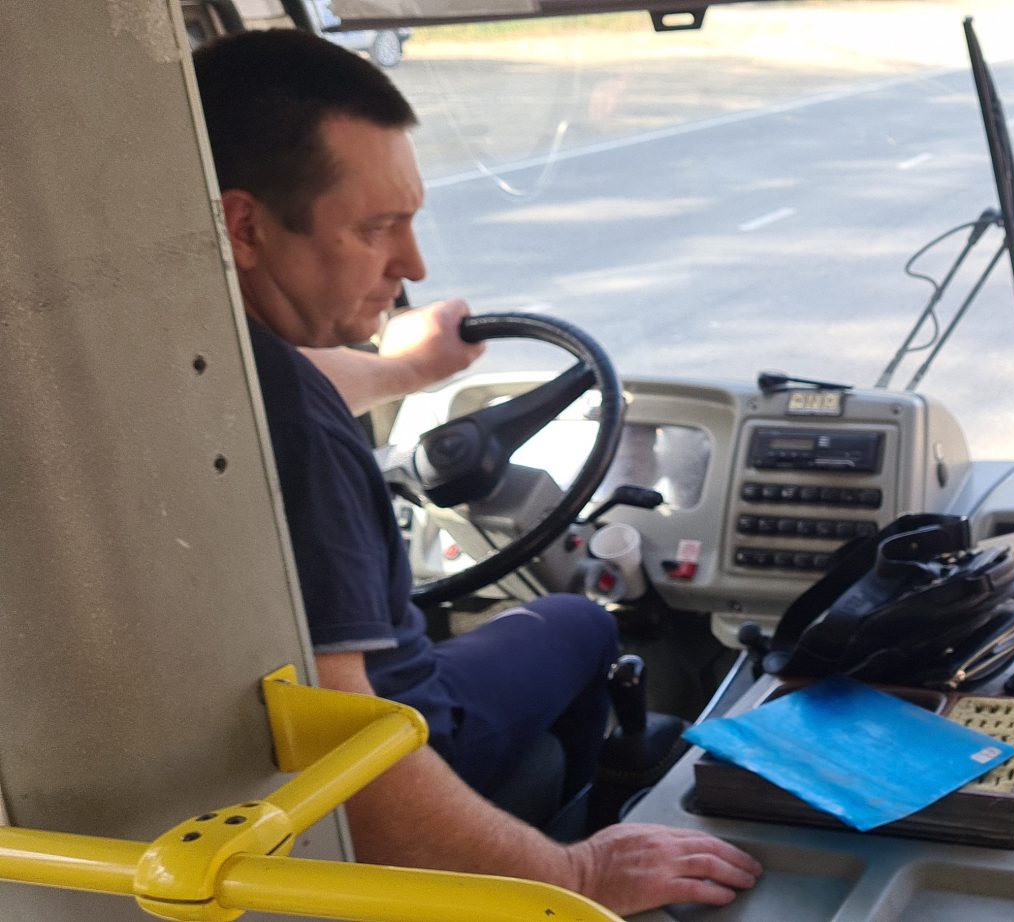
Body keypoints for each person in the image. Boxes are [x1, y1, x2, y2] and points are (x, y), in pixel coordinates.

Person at [192, 29, 760, 915]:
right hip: (414, 736)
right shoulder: (294, 436)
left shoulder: (192, 361)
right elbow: (350, 768)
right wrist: (577, 879)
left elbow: (311, 378)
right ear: (245, 226)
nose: (413, 266)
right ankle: (573, 818)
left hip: (239, 763)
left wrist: (407, 372)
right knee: (580, 620)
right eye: (376, 229)